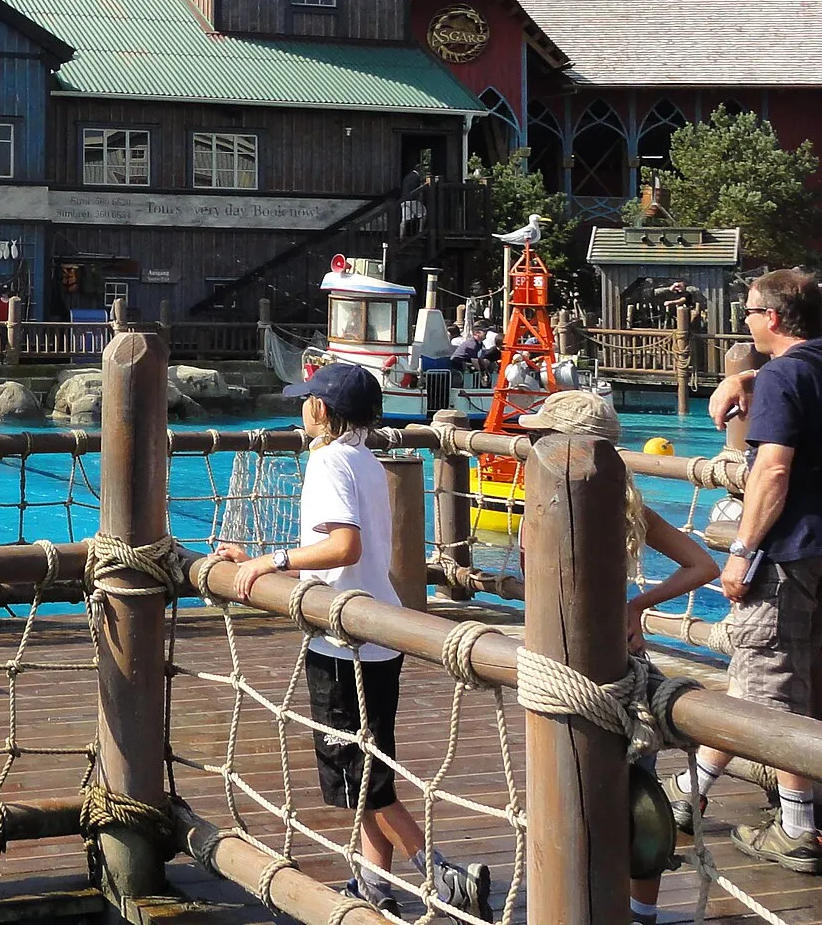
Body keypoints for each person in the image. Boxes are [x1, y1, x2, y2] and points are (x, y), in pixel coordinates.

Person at [213, 361, 491, 917]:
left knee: (358, 774)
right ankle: (373, 883)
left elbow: (344, 547)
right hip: (376, 632)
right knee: (371, 765)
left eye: (305, 400)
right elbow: (344, 560)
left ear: (320, 409)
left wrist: (274, 559)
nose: (300, 408)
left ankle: (442, 876)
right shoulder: (364, 457)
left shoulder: (327, 460)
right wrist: (272, 566)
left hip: (344, 644)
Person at [519, 390, 718, 925]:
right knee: (636, 793)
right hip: (624, 666)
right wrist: (637, 605)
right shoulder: (629, 503)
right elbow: (703, 565)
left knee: (574, 794)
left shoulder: (546, 502)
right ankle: (640, 912)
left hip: (568, 671)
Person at [669, 268, 822, 874]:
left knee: (769, 693)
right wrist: (747, 373)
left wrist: (742, 550)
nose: (747, 320)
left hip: (784, 555)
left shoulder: (787, 373)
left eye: (752, 311)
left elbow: (773, 472)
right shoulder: (797, 369)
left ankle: (797, 827)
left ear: (775, 319)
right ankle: (691, 791)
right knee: (776, 674)